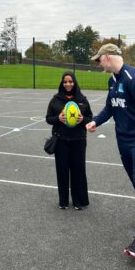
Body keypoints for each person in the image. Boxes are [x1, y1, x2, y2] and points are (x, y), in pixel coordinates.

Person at [86, 43, 135, 260]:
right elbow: (110, 107)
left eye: (99, 60)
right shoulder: (113, 80)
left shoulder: (132, 79)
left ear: (107, 57)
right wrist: (95, 122)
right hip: (124, 141)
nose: (99, 64)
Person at [46, 72, 93, 210]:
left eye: (70, 81)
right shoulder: (55, 100)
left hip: (78, 140)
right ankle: (63, 201)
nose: (68, 84)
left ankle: (79, 201)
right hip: (61, 140)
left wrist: (82, 120)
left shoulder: (82, 99)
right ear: (62, 83)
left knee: (78, 170)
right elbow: (48, 118)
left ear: (75, 82)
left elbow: (90, 118)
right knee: (62, 170)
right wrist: (58, 119)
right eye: (65, 82)